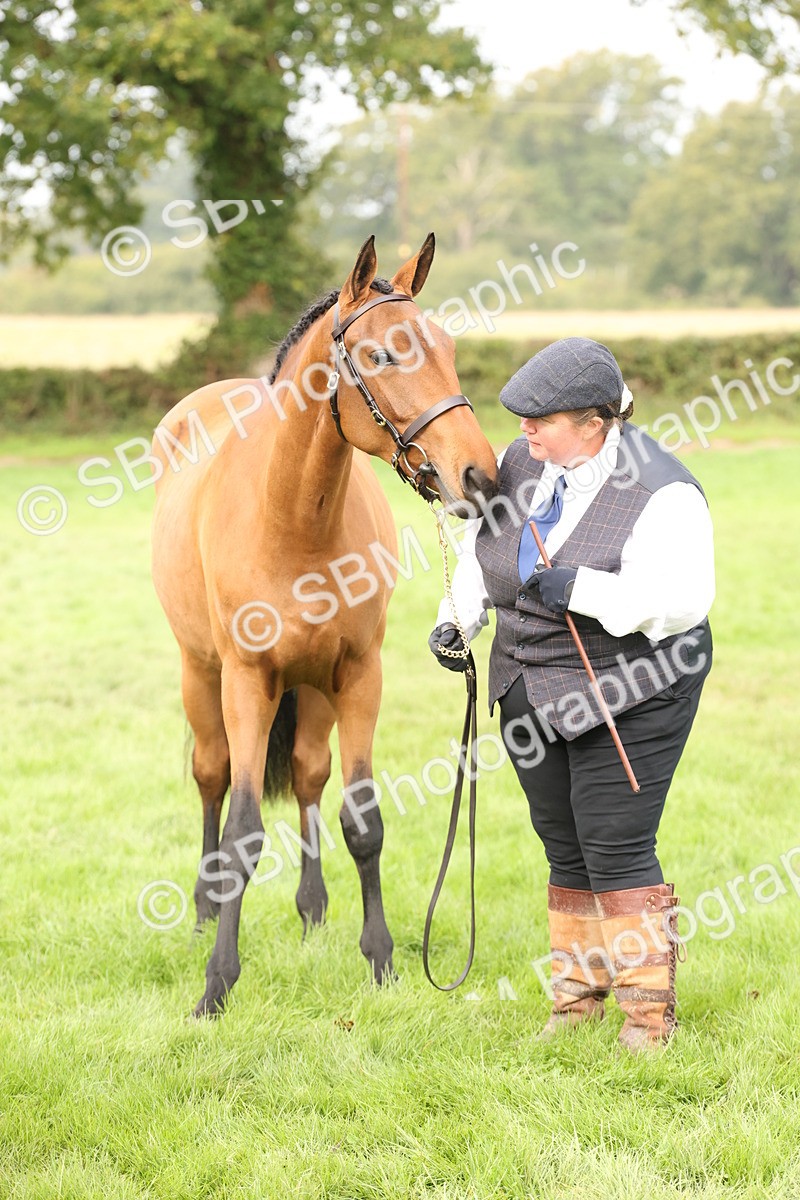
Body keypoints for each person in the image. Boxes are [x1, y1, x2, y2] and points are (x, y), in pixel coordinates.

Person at [428, 337, 714, 1052]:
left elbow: (681, 602)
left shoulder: (664, 491)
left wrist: (580, 589)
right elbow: (478, 555)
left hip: (634, 688)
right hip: (527, 684)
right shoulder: (522, 462)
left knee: (614, 845)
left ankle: (648, 1020)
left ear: (595, 422)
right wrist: (455, 620)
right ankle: (575, 1002)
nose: (522, 430)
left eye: (541, 419)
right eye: (520, 416)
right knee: (563, 844)